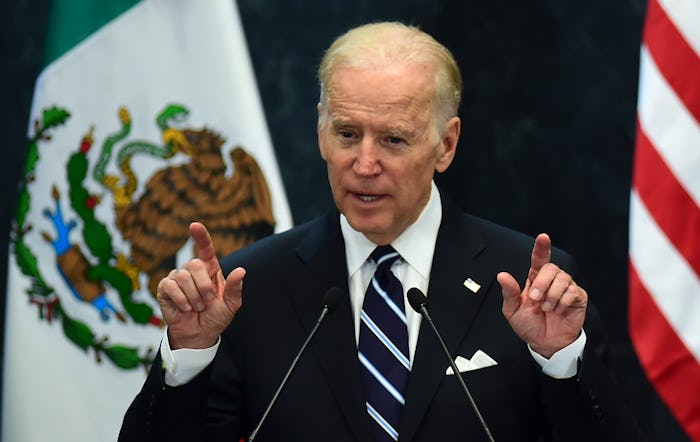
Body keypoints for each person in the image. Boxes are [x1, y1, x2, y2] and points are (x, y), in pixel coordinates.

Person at [119, 22, 642, 441]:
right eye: (347, 133)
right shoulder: (248, 289)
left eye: (393, 139)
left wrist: (561, 362)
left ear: (445, 145)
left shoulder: (530, 283)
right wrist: (188, 354)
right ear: (320, 130)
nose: (364, 164)